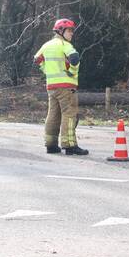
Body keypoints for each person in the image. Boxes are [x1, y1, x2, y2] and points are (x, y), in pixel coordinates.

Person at [34, 18, 88, 155]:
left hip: (52, 87)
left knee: (53, 115)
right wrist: (72, 72)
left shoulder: (46, 45)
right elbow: (75, 58)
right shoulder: (64, 45)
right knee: (69, 114)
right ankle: (70, 145)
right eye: (69, 31)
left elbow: (37, 59)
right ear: (60, 31)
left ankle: (51, 145)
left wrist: (46, 70)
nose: (72, 34)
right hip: (66, 87)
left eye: (72, 31)